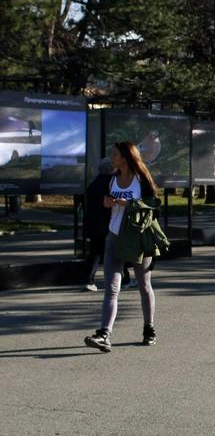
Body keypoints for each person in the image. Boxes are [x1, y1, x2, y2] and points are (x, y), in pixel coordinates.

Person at [83, 142, 159, 353]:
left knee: (144, 286)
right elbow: (104, 206)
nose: (112, 157)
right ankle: (104, 334)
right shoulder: (111, 180)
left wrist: (129, 204)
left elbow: (154, 206)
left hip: (137, 240)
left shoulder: (141, 181)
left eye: (115, 154)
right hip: (114, 237)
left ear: (125, 157)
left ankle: (149, 328)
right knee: (111, 289)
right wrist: (107, 203)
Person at [82, 158, 114, 291]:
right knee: (114, 252)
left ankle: (89, 280)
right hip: (107, 223)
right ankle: (123, 279)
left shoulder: (93, 184)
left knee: (94, 252)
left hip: (94, 223)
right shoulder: (111, 184)